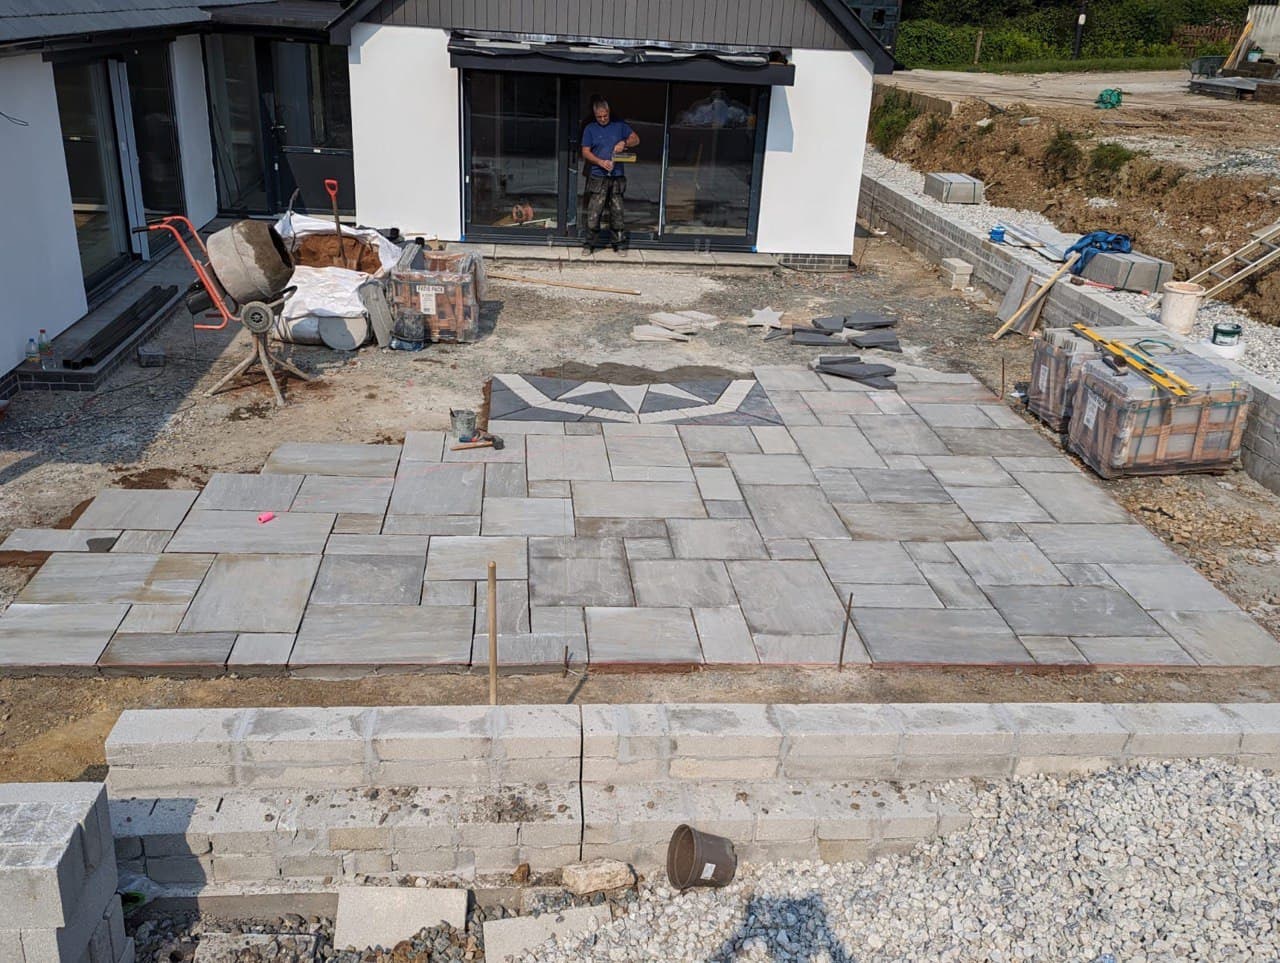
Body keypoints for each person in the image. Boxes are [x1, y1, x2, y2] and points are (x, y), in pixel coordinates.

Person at [580, 95, 639, 254]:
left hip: (617, 175)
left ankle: (619, 244)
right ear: (594, 115)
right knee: (594, 211)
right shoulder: (590, 129)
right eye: (599, 117)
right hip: (598, 175)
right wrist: (600, 162)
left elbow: (636, 139)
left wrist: (624, 142)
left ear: (609, 111)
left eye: (605, 116)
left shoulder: (619, 126)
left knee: (617, 211)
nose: (603, 119)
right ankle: (589, 243)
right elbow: (585, 152)